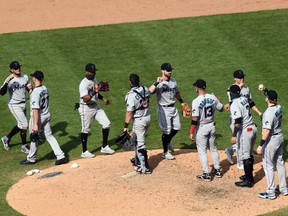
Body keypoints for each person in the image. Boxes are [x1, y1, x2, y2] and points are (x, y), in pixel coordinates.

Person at [20, 70, 67, 165]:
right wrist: (32, 91)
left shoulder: (35, 93)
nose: (32, 78)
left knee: (34, 137)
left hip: (38, 117)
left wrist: (35, 126)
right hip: (46, 115)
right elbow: (39, 97)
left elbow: (36, 110)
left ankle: (31, 158)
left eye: (33, 77)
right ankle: (60, 156)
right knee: (49, 136)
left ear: (35, 79)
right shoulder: (44, 88)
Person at [224, 70, 262, 169]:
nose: (242, 79)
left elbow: (250, 102)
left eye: (243, 77)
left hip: (244, 119)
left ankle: (231, 150)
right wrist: (239, 88)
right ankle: (240, 163)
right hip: (235, 119)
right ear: (235, 78)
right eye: (240, 77)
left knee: (242, 140)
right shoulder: (231, 89)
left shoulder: (247, 88)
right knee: (240, 140)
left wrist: (258, 112)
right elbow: (232, 102)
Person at [149, 63, 186, 160]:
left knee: (177, 127)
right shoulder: (159, 83)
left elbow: (176, 92)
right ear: (162, 71)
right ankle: (165, 152)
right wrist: (156, 83)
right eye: (167, 70)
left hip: (173, 107)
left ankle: (168, 142)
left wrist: (181, 102)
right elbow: (149, 92)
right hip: (163, 109)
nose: (170, 72)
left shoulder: (173, 80)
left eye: (170, 70)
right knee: (166, 131)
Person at [77, 63, 114, 158]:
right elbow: (85, 98)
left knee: (106, 123)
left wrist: (103, 98)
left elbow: (96, 92)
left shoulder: (94, 79)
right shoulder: (83, 84)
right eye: (91, 72)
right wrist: (95, 92)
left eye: (94, 72)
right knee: (85, 129)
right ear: (86, 72)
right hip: (86, 108)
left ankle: (105, 146)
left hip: (95, 106)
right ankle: (84, 151)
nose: (93, 74)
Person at [189, 79, 224, 182]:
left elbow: (195, 118)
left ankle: (206, 174)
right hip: (212, 126)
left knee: (202, 151)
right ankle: (217, 170)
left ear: (198, 88)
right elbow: (221, 109)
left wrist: (191, 132)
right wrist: (217, 98)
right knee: (213, 148)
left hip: (202, 128)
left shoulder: (196, 101)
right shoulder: (212, 97)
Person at [257, 90, 288, 199]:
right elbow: (272, 97)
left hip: (271, 140)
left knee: (268, 165)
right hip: (280, 137)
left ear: (268, 99)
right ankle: (283, 189)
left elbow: (266, 131)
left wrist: (260, 145)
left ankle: (270, 192)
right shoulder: (278, 106)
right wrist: (265, 90)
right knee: (280, 163)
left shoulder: (268, 113)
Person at [0, 61, 32, 153]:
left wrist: (29, 88)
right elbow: (2, 93)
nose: (18, 69)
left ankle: (6, 138)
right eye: (16, 68)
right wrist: (6, 82)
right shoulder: (10, 80)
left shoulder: (25, 77)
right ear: (11, 70)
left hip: (23, 103)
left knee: (20, 125)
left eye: (18, 67)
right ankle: (24, 146)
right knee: (24, 124)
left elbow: (26, 88)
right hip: (14, 105)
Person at [229, 84, 257, 187]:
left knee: (246, 155)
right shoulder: (244, 99)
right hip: (253, 128)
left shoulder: (234, 104)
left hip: (246, 130)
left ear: (231, 94)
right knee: (249, 154)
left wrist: (234, 134)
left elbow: (237, 121)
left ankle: (249, 181)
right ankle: (248, 175)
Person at [124, 74, 151, 174]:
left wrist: (125, 126)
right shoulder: (145, 89)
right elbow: (150, 92)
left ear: (130, 82)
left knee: (140, 144)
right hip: (148, 118)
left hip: (139, 121)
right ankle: (137, 160)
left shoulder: (130, 95)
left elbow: (129, 112)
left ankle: (145, 168)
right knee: (136, 140)